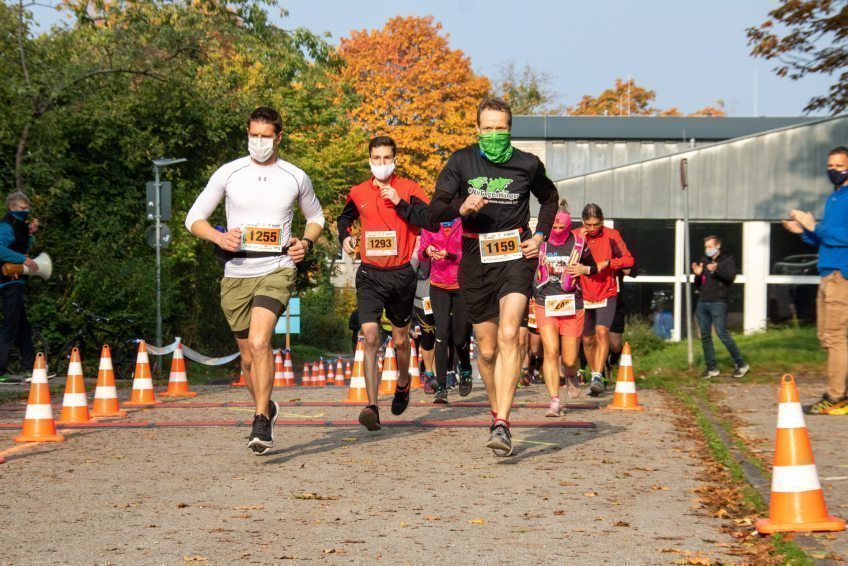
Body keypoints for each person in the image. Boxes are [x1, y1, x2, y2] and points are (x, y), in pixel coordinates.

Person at [185, 106, 324, 454]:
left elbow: (316, 216)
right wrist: (218, 238)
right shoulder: (229, 173)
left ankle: (261, 418)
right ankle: (267, 406)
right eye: (253, 135)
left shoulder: (295, 176)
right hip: (236, 273)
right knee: (247, 357)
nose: (258, 142)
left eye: (265, 136)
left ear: (278, 137)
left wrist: (305, 242)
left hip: (277, 268)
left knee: (262, 342)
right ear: (247, 134)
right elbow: (194, 218)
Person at [429, 97, 559, 456]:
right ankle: (495, 409)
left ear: (510, 129)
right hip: (474, 257)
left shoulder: (527, 164)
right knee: (486, 351)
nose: (494, 134)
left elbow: (549, 199)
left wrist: (539, 235)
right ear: (478, 129)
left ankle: (502, 422)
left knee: (509, 334)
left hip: (515, 254)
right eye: (488, 128)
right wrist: (460, 207)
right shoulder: (461, 161)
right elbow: (435, 207)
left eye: (501, 128)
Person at [338, 135, 434, 431]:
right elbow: (344, 219)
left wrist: (400, 203)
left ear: (395, 160)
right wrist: (345, 237)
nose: (381, 163)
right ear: (370, 159)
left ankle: (403, 382)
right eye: (376, 158)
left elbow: (429, 219)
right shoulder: (358, 191)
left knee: (402, 339)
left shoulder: (409, 189)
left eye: (386, 158)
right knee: (369, 337)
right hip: (369, 275)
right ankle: (371, 406)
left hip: (401, 275)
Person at [783, 146, 848, 414]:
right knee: (827, 336)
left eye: (839, 166)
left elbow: (843, 235)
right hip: (827, 273)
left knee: (836, 337)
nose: (832, 170)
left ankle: (836, 397)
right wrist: (802, 231)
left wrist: (813, 225)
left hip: (841, 276)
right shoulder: (835, 198)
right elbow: (824, 237)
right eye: (829, 166)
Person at [533, 204, 597, 416]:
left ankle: (570, 373)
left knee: (569, 359)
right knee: (550, 352)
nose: (557, 230)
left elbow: (592, 266)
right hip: (544, 302)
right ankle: (554, 400)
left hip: (572, 305)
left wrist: (584, 269)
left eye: (562, 227)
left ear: (569, 225)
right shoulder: (539, 243)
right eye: (554, 226)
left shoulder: (579, 243)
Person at [577, 204, 634, 396]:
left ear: (602, 221)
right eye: (589, 225)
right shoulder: (576, 234)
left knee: (602, 332)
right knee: (587, 339)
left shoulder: (612, 235)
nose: (592, 228)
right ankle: (595, 372)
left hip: (606, 291)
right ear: (582, 222)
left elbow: (629, 260)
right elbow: (565, 259)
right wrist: (580, 242)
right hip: (582, 292)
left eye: (596, 225)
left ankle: (597, 377)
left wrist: (609, 263)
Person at [420, 217, 473, 402]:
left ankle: (465, 369)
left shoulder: (465, 222)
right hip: (438, 285)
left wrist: (450, 255)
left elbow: (472, 255)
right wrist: (427, 251)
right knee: (441, 334)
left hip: (461, 285)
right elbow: (421, 253)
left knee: (459, 338)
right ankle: (441, 386)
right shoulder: (430, 223)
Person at [692, 235, 749, 379]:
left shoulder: (727, 260)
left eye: (710, 247)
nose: (707, 250)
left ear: (718, 246)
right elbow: (699, 283)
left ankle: (741, 364)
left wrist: (716, 271)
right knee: (705, 335)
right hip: (703, 301)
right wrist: (698, 275)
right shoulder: (704, 260)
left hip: (718, 302)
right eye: (706, 247)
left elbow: (730, 278)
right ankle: (711, 368)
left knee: (722, 333)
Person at [0, 192, 40, 384]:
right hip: (9, 281)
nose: (26, 212)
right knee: (10, 327)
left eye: (27, 208)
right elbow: (1, 249)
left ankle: (30, 368)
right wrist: (22, 259)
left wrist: (30, 234)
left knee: (23, 327)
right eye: (22, 209)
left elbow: (21, 246)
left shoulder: (19, 227)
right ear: (11, 207)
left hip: (17, 282)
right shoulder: (7, 225)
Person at [410, 236, 437, 391]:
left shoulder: (447, 232)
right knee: (428, 337)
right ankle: (429, 374)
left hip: (444, 293)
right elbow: (411, 268)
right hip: (423, 298)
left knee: (443, 337)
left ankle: (442, 374)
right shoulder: (419, 238)